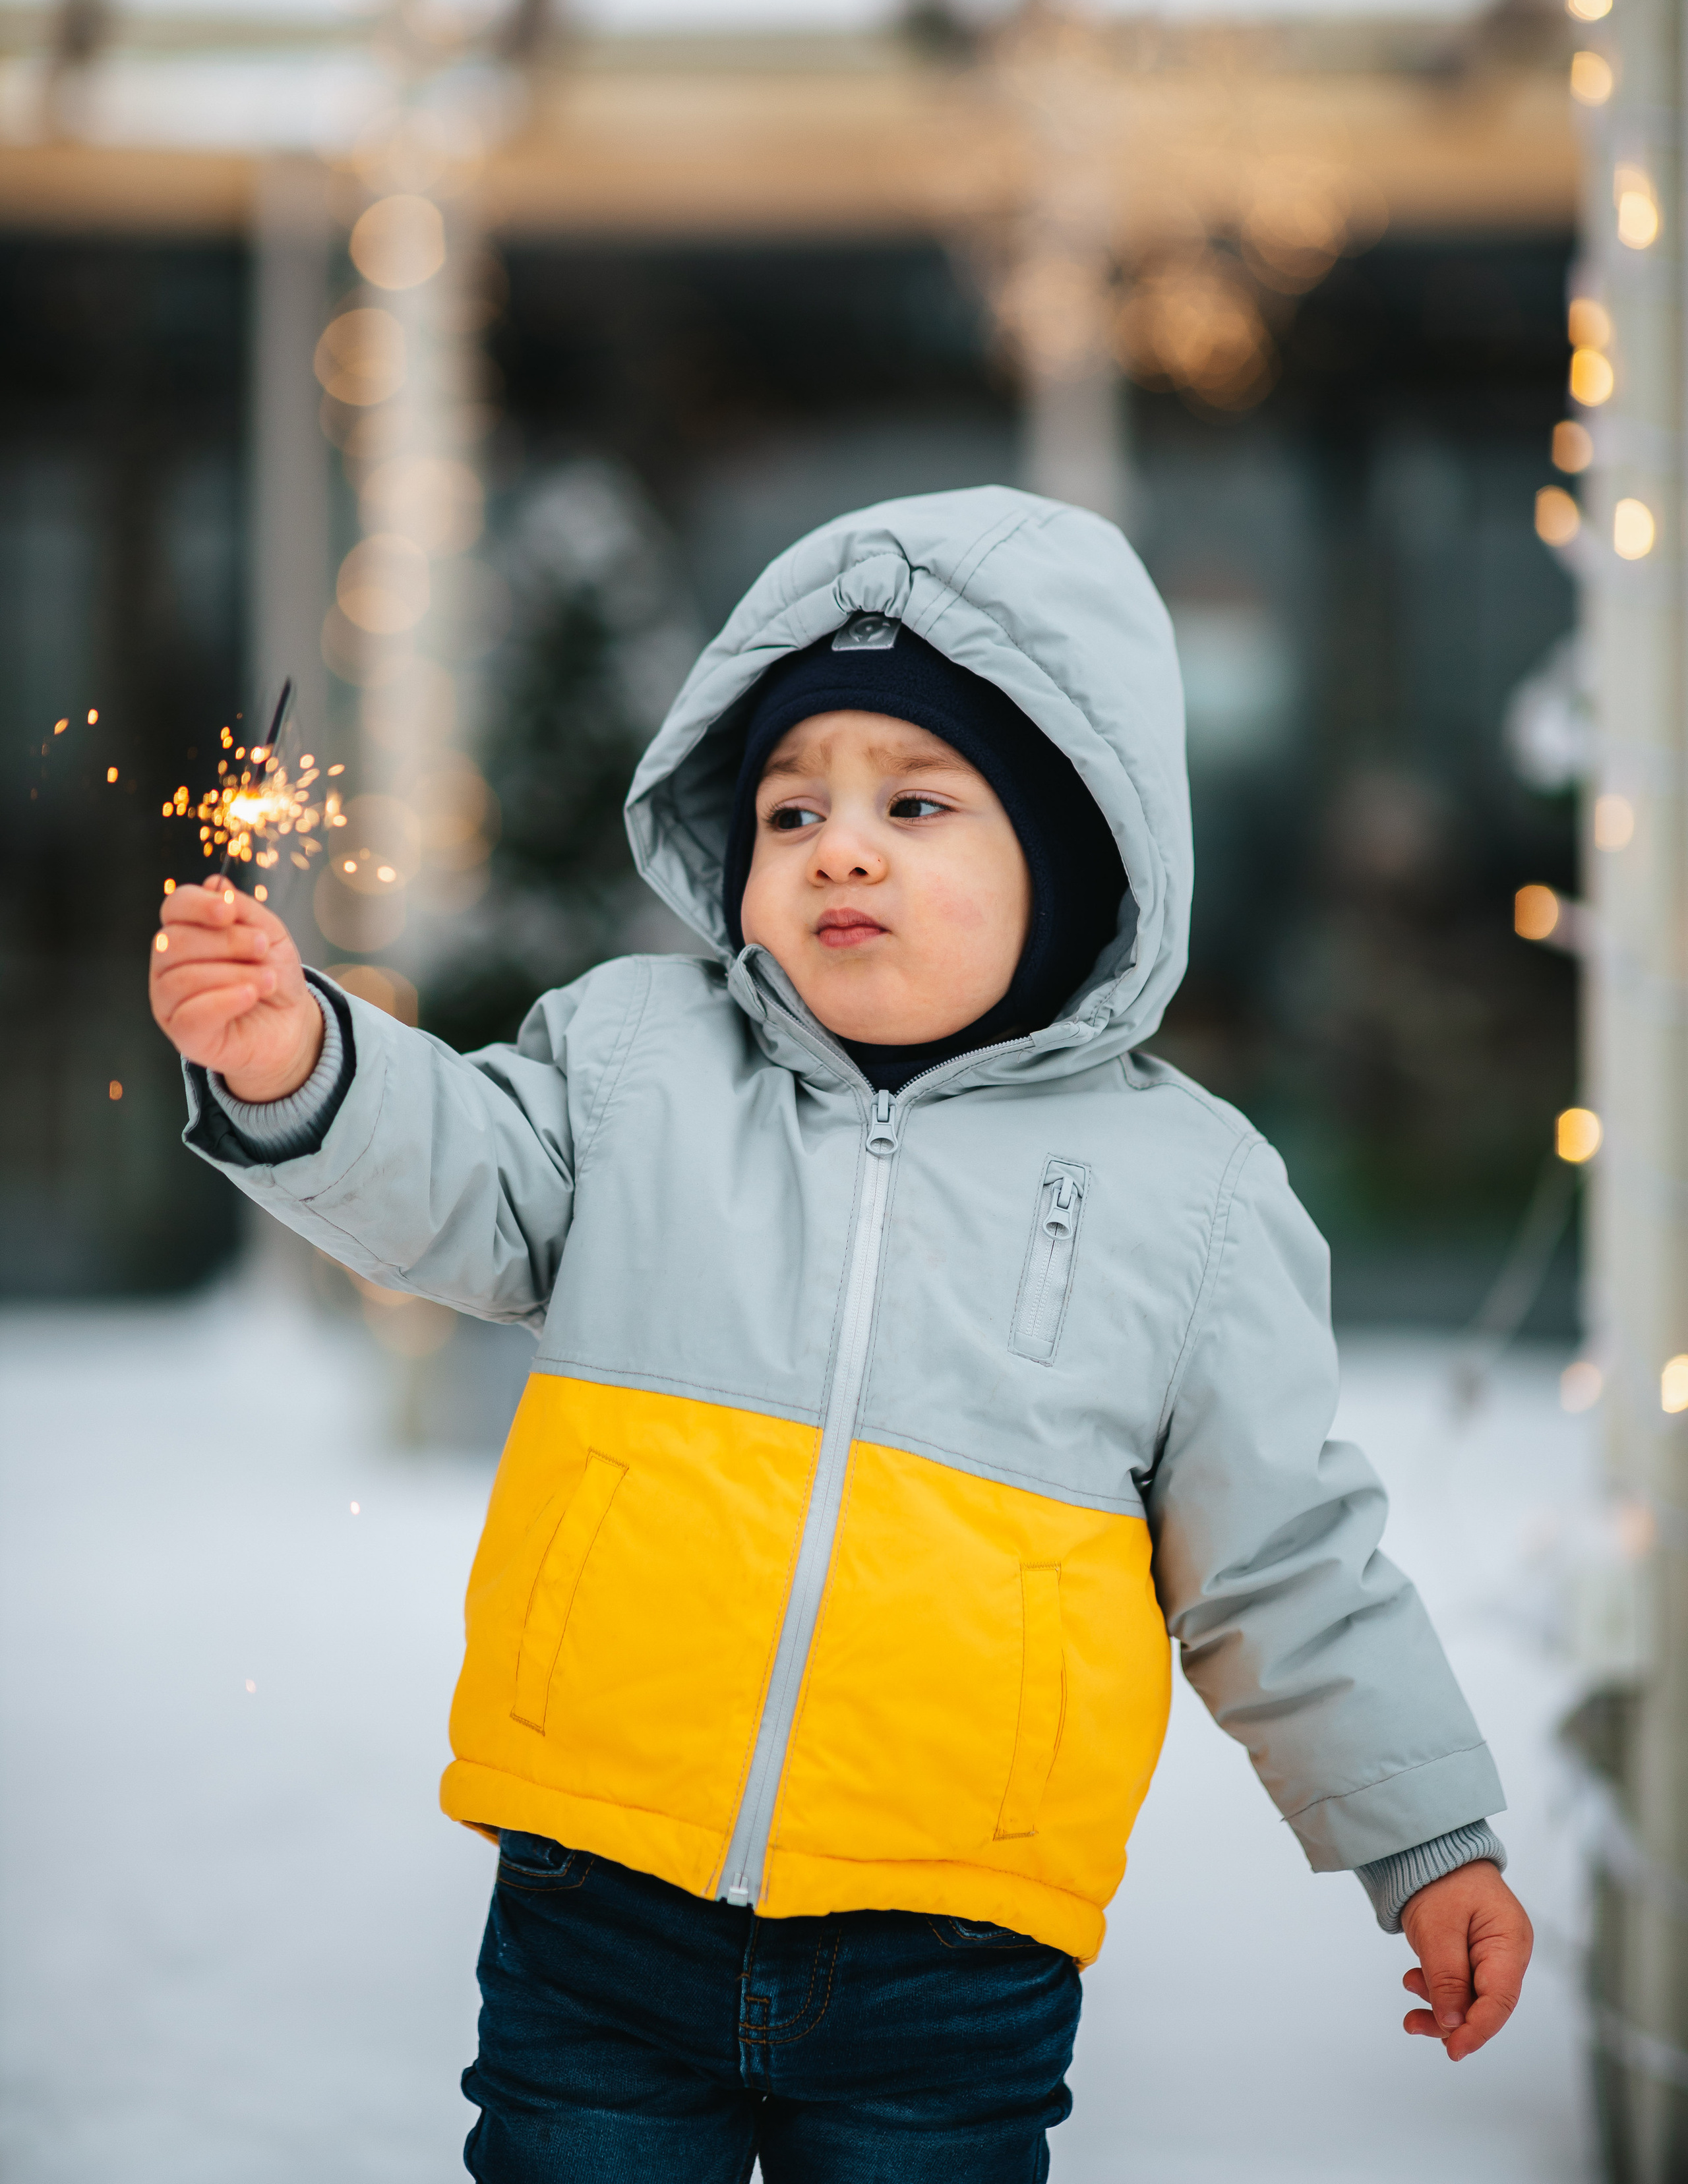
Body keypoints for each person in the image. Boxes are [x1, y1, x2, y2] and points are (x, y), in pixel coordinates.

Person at [150, 487, 1532, 2181]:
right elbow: (463, 1175)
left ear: (1074, 851)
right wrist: (296, 1061)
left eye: (915, 802)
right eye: (790, 808)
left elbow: (1283, 1561)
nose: (840, 847)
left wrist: (1423, 1836)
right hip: (599, 1896)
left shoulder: (1191, 1196)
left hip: (951, 1950)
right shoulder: (636, 1062)